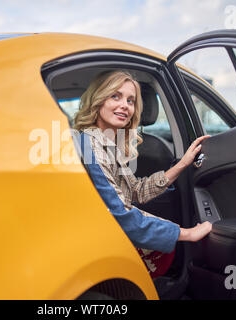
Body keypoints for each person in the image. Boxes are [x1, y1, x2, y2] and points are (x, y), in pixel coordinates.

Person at [73, 70, 212, 280]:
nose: (125, 106)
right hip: (94, 245)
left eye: (131, 100)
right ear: (98, 99)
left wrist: (182, 164)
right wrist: (186, 233)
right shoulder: (90, 145)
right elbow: (119, 214)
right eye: (115, 96)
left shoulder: (106, 143)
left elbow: (136, 191)